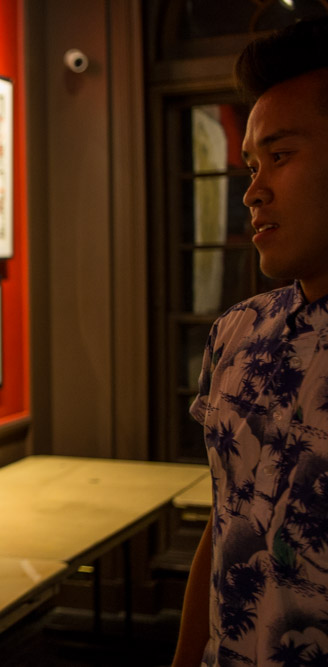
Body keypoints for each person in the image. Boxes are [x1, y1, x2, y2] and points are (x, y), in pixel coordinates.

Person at [172, 17, 328, 667]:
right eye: (252, 165)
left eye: (280, 156)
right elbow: (226, 520)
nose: (253, 191)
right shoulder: (237, 333)